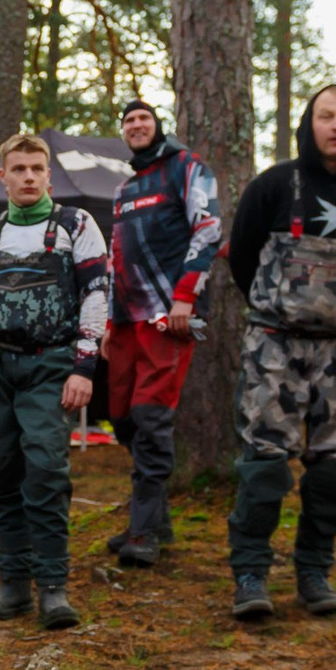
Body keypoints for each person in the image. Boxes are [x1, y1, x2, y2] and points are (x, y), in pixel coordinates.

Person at [224, 85, 336, 623]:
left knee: (335, 469)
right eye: (327, 116)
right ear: (311, 123)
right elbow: (242, 258)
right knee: (264, 466)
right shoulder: (275, 185)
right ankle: (251, 574)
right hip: (274, 347)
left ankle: (314, 571)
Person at [0, 134, 110, 630]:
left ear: (49, 175)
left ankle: (53, 588)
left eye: (37, 168)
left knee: (45, 470)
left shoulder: (75, 224)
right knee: (4, 476)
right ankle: (13, 585)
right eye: (18, 169)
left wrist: (84, 366)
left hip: (51, 365)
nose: (29, 177)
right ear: (4, 176)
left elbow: (97, 294)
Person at [103, 99, 221, 565]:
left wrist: (186, 295)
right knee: (123, 417)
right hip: (127, 322)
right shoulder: (125, 188)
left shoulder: (187, 167)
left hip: (168, 316)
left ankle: (143, 532)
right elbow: (116, 256)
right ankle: (154, 519)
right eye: (128, 121)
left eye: (143, 119)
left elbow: (209, 229)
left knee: (151, 420)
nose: (136, 125)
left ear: (157, 127)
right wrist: (110, 323)